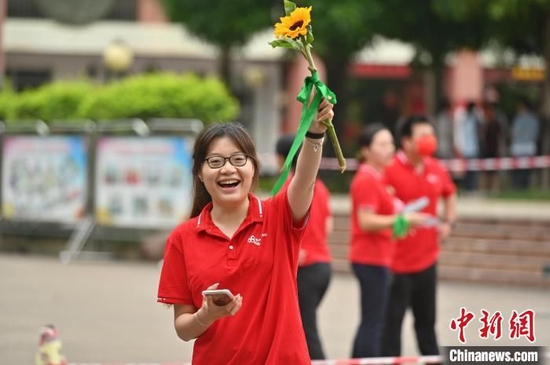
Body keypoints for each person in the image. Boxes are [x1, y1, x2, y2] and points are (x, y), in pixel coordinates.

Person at [157, 99, 334, 365]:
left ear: (253, 168)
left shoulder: (279, 216)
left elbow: (305, 179)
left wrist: (314, 133)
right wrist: (205, 316)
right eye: (215, 161)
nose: (228, 168)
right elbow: (183, 327)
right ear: (199, 174)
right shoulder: (182, 238)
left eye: (238, 159)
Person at [349, 123, 429, 358]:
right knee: (374, 323)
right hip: (370, 258)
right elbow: (366, 221)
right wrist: (399, 221)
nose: (389, 149)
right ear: (365, 150)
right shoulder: (366, 179)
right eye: (382, 144)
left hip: (378, 257)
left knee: (372, 321)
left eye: (390, 143)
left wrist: (402, 222)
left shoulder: (378, 178)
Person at [381, 115, 457, 358]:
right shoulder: (389, 169)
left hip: (427, 261)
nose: (429, 141)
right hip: (396, 265)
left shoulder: (436, 167)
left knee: (427, 325)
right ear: (406, 141)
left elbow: (450, 193)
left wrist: (448, 222)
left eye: (431, 136)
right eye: (422, 136)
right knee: (391, 327)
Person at [275, 134, 332, 360]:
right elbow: (328, 226)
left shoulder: (287, 189)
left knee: (306, 331)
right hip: (322, 267)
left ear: (283, 158)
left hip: (304, 268)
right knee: (299, 327)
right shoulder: (321, 187)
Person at [510, 97, 540, 190]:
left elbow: (513, 133)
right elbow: (536, 134)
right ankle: (525, 186)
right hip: (529, 146)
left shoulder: (518, 119)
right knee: (527, 169)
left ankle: (516, 186)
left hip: (518, 146)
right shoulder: (534, 119)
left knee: (517, 168)